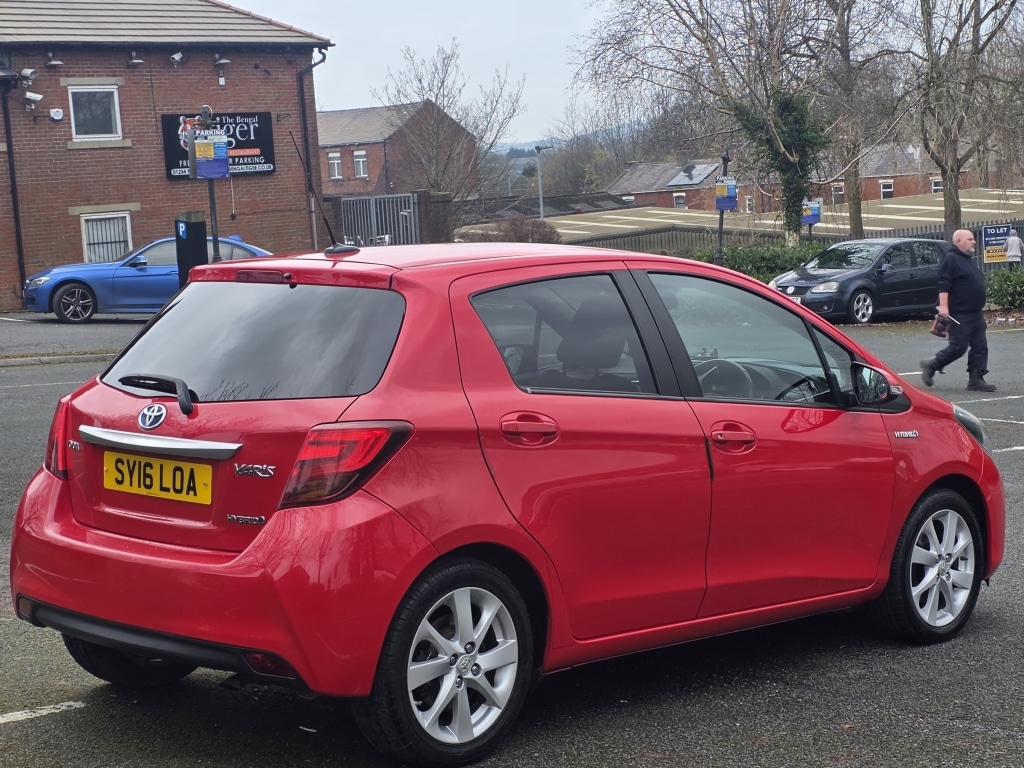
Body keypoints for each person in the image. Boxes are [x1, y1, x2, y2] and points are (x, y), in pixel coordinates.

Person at [921, 229, 996, 392]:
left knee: (981, 346)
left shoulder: (967, 260)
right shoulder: (951, 259)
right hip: (959, 313)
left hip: (975, 313)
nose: (974, 241)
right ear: (959, 241)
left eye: (973, 238)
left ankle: (976, 379)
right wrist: (944, 306)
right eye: (970, 239)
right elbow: (943, 283)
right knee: (958, 347)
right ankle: (932, 364)